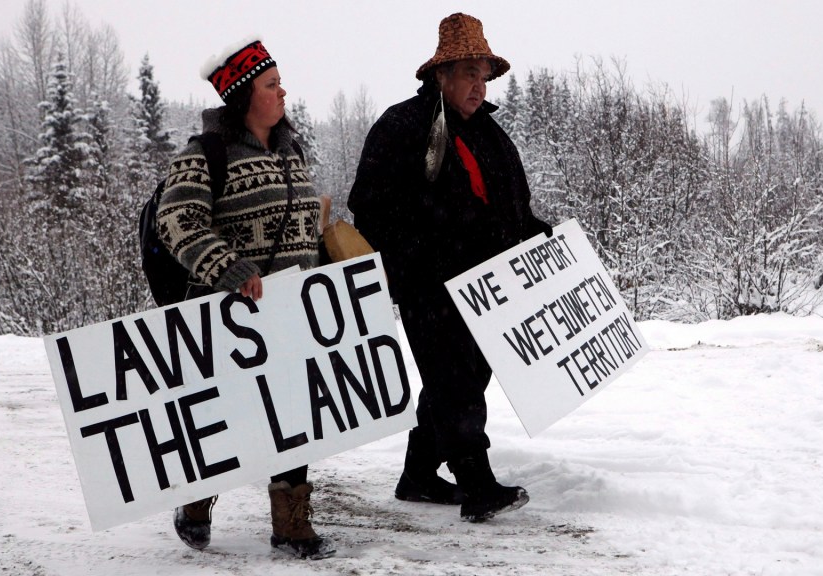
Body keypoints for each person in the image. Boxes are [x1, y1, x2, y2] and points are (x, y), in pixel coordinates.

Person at [347, 13, 553, 523]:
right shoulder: (401, 126)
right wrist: (421, 253)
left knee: (465, 378)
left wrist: (533, 233)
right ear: (440, 75)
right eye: (468, 74)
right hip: (427, 285)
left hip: (488, 288)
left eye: (483, 76)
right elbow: (368, 206)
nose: (478, 87)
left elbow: (511, 206)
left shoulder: (491, 136)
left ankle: (417, 474)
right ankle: (476, 481)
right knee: (453, 379)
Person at [157, 37, 335, 559]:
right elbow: (177, 219)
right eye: (271, 84)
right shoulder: (204, 155)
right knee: (227, 415)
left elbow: (304, 225)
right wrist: (227, 268)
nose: (283, 92)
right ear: (243, 96)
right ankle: (195, 498)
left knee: (293, 414)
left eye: (280, 82)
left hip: (290, 313)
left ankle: (291, 523)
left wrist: (325, 273)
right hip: (231, 317)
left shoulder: (291, 151)